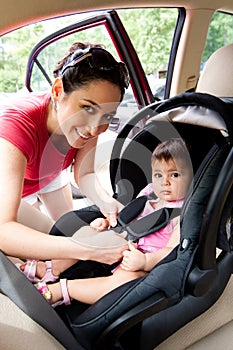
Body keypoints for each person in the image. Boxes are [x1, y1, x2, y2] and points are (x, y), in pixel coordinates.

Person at [0, 41, 130, 265]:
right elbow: (4, 230)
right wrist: (87, 249)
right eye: (87, 108)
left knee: (65, 232)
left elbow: (85, 173)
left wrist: (106, 203)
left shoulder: (89, 125)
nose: (93, 128)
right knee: (27, 262)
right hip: (8, 185)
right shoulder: (16, 126)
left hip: (48, 174)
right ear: (58, 91)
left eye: (107, 116)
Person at [34, 138, 193, 306]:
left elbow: (171, 250)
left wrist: (146, 261)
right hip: (120, 240)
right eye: (158, 175)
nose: (165, 182)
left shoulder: (182, 213)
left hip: (140, 259)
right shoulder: (149, 193)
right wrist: (106, 223)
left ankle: (64, 289)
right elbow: (128, 218)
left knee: (124, 282)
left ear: (191, 177)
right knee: (88, 234)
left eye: (174, 175)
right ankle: (52, 268)